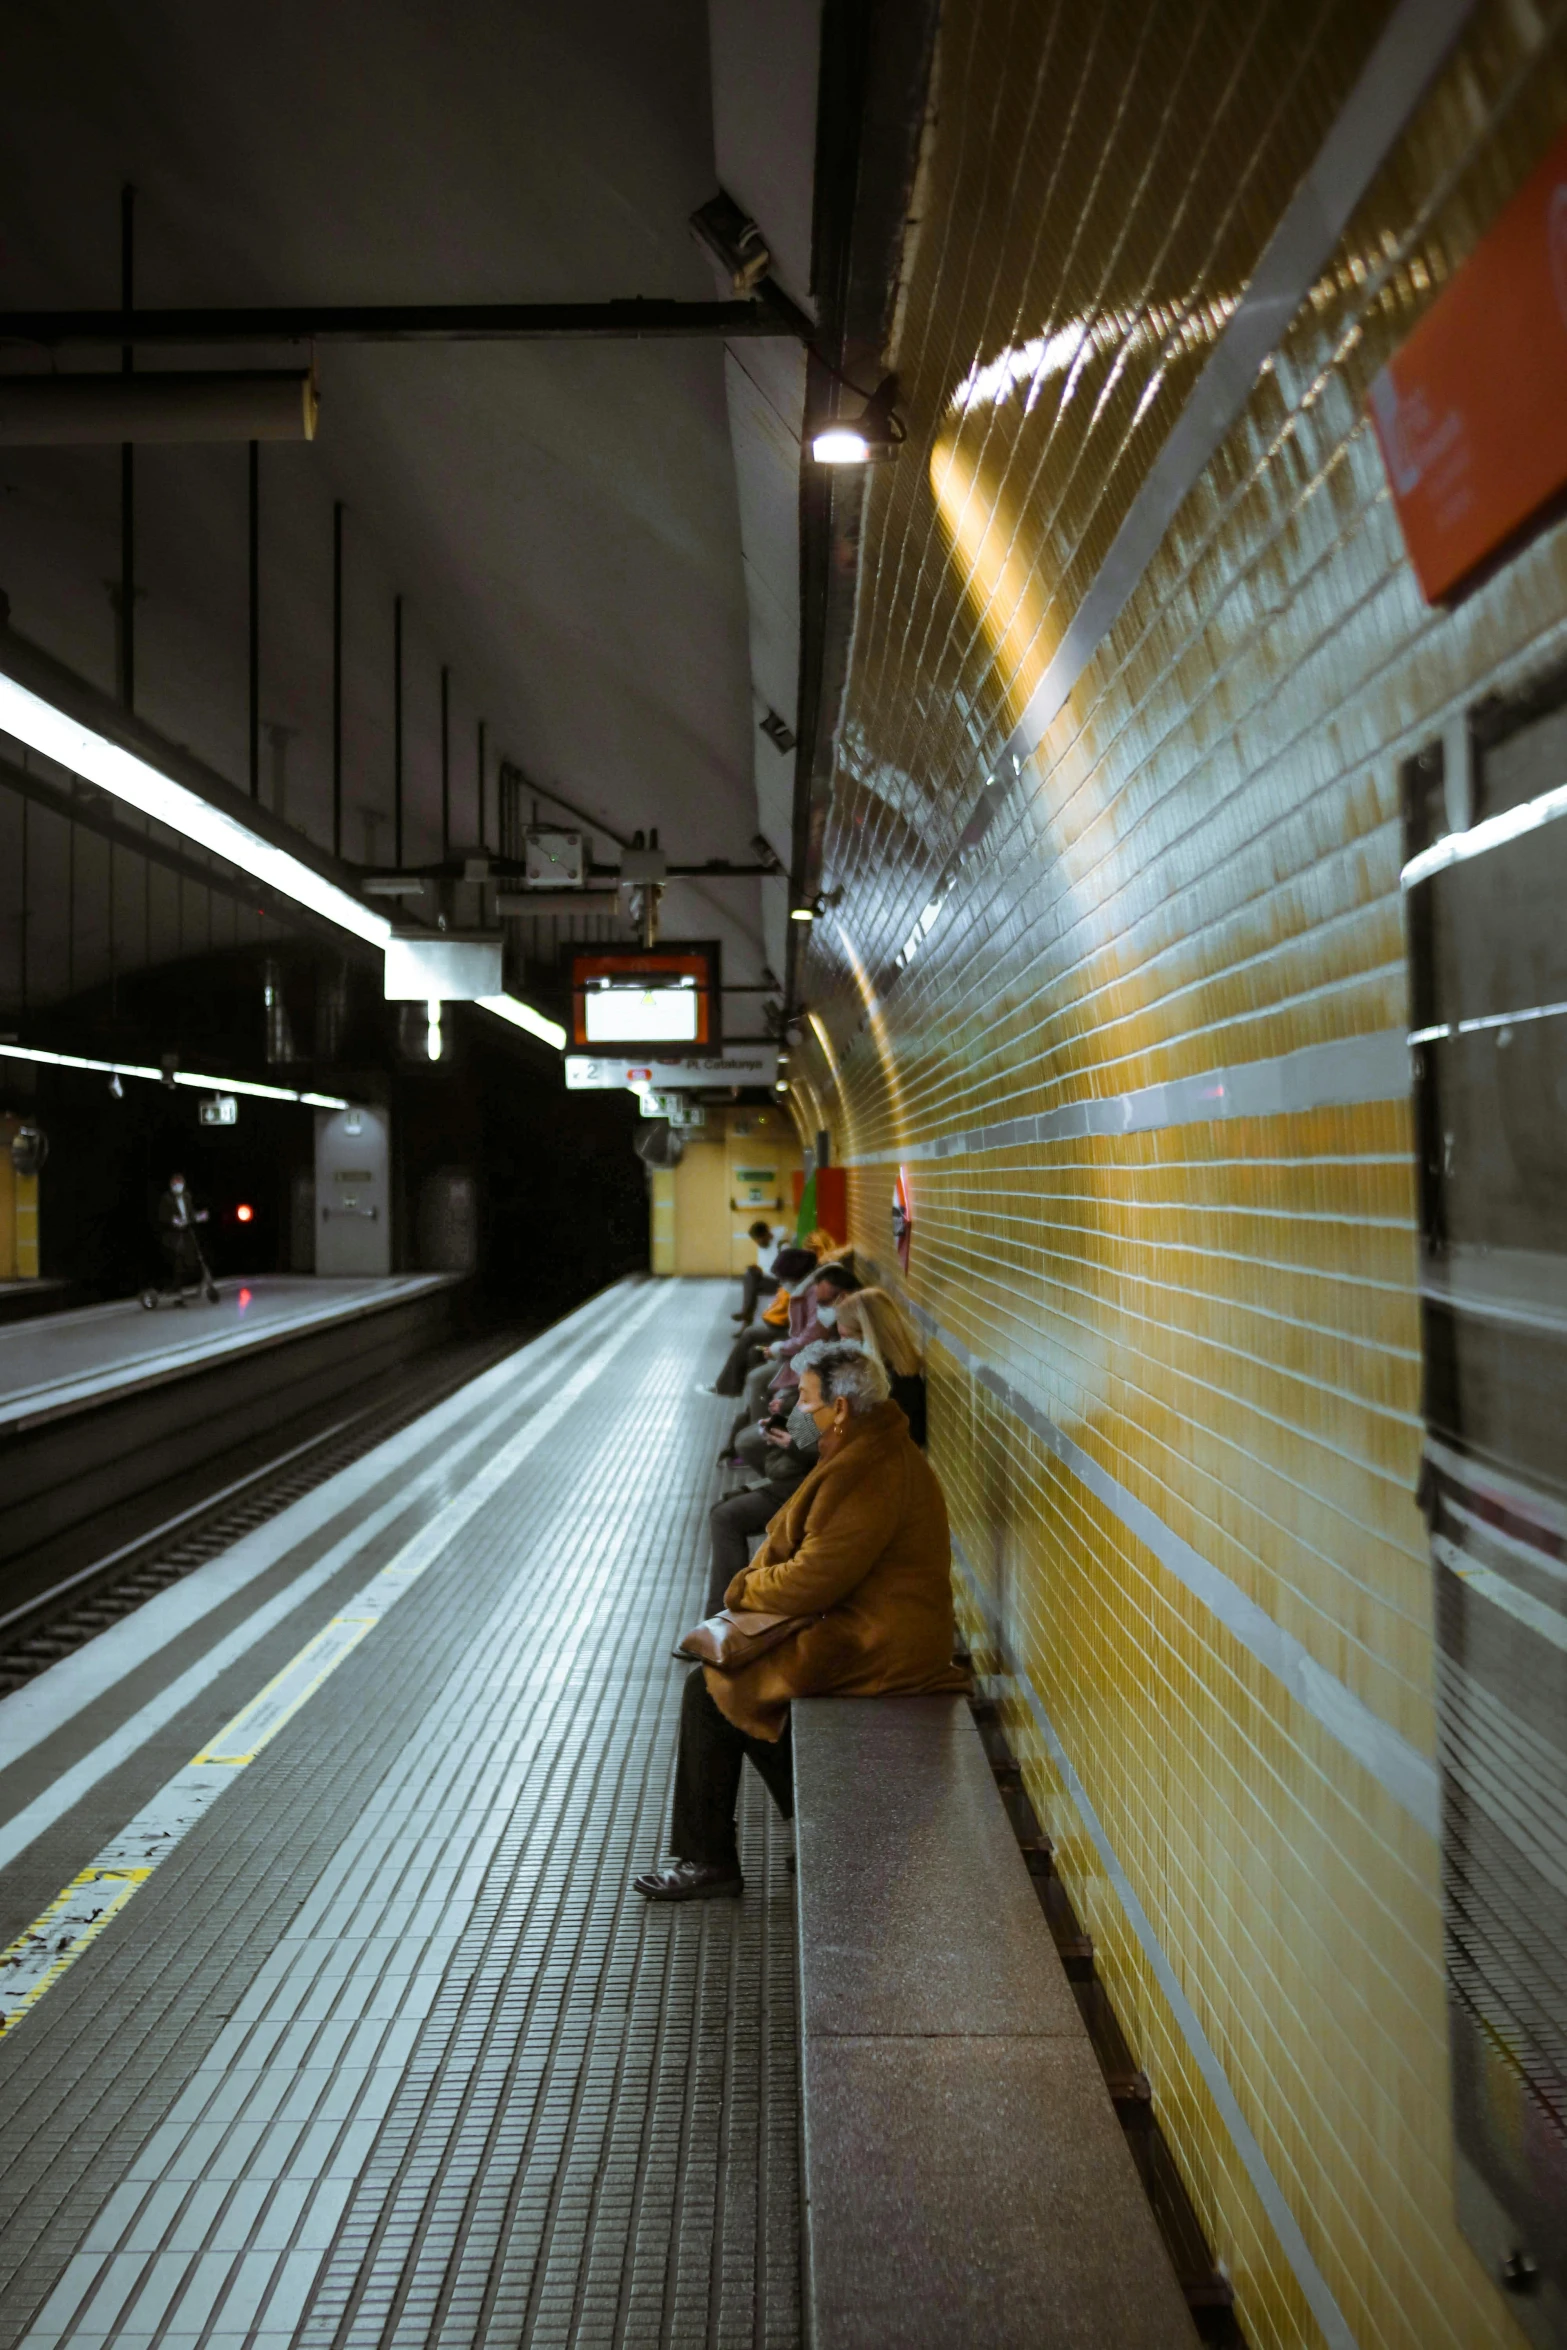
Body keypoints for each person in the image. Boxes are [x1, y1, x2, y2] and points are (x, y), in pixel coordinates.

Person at [636, 1340, 968, 1901]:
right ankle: (815, 1825)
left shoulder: (868, 1470)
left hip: (878, 1644)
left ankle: (707, 1860)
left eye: (807, 1402)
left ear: (840, 1409)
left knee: (711, 1689)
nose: (798, 1415)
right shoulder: (870, 1450)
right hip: (867, 1628)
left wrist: (741, 1586)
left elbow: (813, 1580)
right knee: (742, 1690)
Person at [704, 1245, 817, 1399]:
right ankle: (738, 1394)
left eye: (783, 1279)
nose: (782, 1284)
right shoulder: (805, 1287)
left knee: (751, 1336)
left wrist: (781, 1347)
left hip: (796, 1339)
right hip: (793, 1334)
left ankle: (729, 1388)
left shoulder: (813, 1293)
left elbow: (808, 1335)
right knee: (753, 1348)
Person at [836, 1286, 927, 1446]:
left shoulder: (885, 1386)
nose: (842, 1344)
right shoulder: (899, 1377)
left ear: (867, 1336)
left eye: (845, 1336)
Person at [156, 1171, 208, 1299]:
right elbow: (163, 1216)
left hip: (186, 1231)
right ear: (171, 1186)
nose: (177, 1186)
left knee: (195, 1256)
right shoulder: (166, 1198)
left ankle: (196, 1284)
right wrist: (174, 1221)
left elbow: (190, 1214)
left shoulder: (187, 1196)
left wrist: (199, 1216)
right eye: (175, 1184)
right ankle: (175, 1289)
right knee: (178, 1257)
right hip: (172, 1233)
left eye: (179, 1184)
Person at [735, 1219, 789, 1324]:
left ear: (767, 1234)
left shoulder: (782, 1246)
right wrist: (758, 1269)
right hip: (767, 1279)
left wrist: (765, 1271)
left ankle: (746, 1319)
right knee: (750, 1276)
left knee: (751, 1285)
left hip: (780, 1283)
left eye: (759, 1240)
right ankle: (746, 1315)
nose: (758, 1243)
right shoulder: (762, 1245)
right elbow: (765, 1264)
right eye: (756, 1240)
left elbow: (787, 1271)